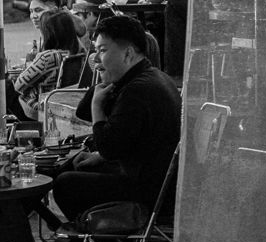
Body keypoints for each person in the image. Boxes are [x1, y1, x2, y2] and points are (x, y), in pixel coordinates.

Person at [51, 15, 182, 222]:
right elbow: (83, 113)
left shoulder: (137, 90)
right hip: (156, 179)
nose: (95, 58)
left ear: (128, 53)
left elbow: (108, 147)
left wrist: (97, 107)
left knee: (65, 183)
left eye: (102, 51)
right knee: (73, 166)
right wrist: (104, 74)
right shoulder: (150, 76)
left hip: (151, 192)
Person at [13, 10, 82, 119]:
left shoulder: (48, 57)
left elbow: (18, 86)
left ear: (49, 33)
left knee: (8, 90)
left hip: (45, 104)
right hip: (68, 101)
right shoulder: (81, 52)